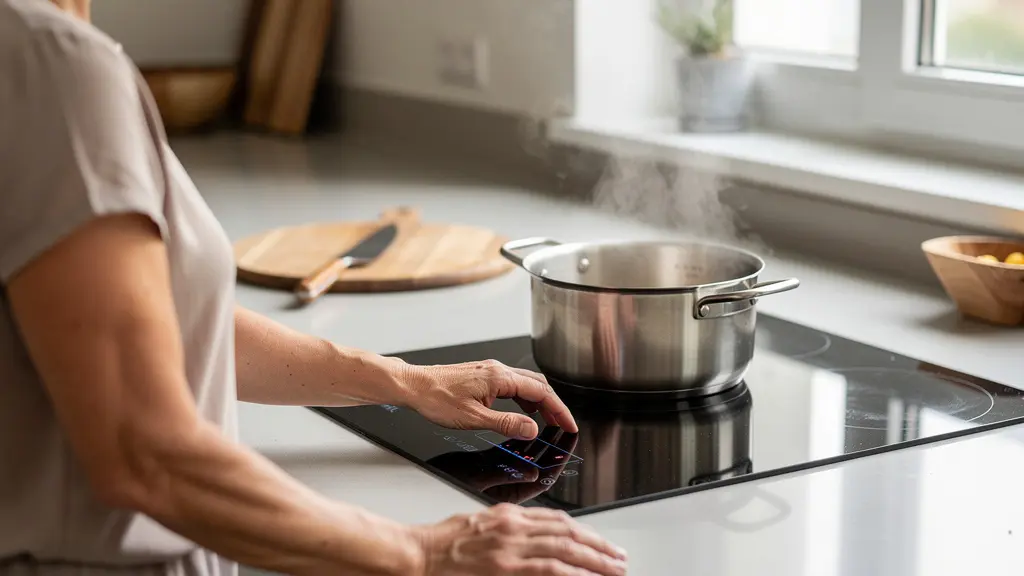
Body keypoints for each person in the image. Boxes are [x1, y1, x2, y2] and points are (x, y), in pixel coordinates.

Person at [0, 1, 629, 574]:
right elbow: (144, 451)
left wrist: (403, 381)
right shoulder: (51, 64)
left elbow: (160, 323)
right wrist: (421, 551)